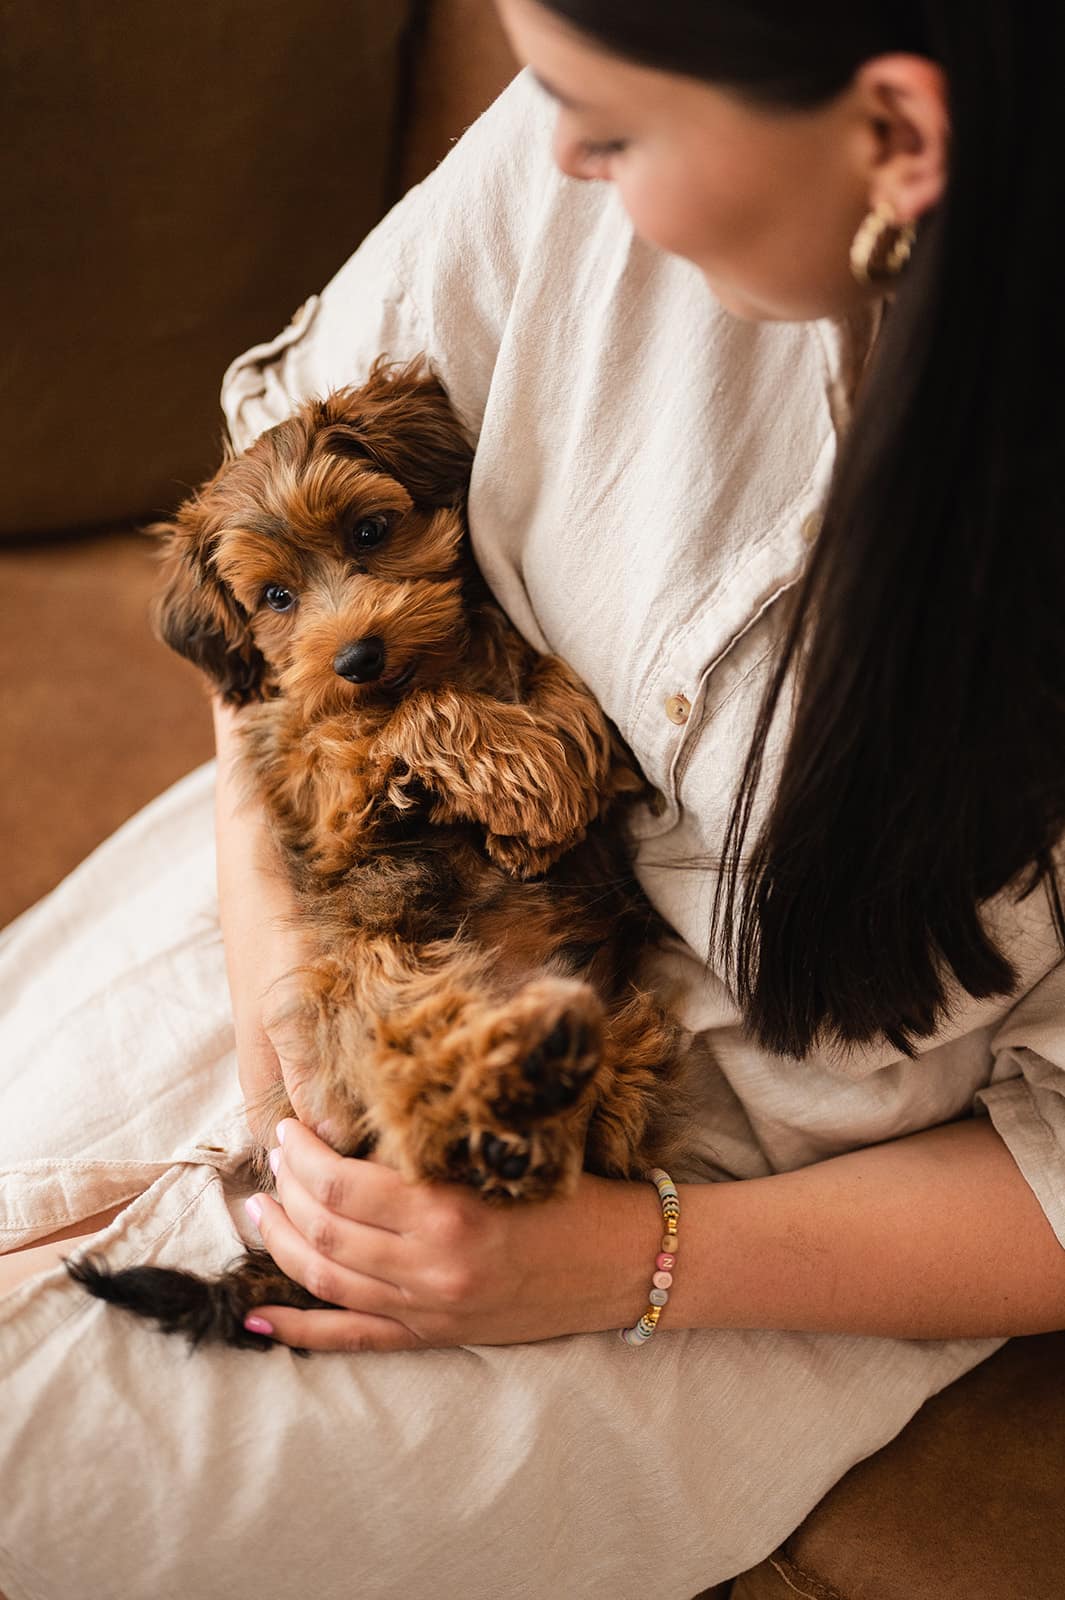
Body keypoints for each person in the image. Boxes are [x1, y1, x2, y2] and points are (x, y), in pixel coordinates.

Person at [2, 1, 1064, 1595]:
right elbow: (263, 615)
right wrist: (286, 987)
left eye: (606, 124)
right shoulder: (563, 152)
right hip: (322, 877)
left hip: (728, 1202)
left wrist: (612, 1266)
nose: (549, 149)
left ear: (895, 137)